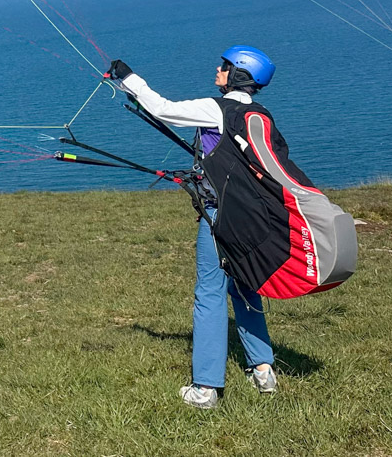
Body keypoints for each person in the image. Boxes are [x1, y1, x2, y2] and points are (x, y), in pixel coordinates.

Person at [106, 46, 282, 410]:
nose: (218, 70)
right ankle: (263, 369)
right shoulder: (260, 115)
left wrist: (128, 78)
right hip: (253, 218)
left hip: (219, 215)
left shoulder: (215, 109)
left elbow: (162, 108)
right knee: (246, 286)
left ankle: (205, 388)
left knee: (210, 293)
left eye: (224, 67)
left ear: (237, 75)